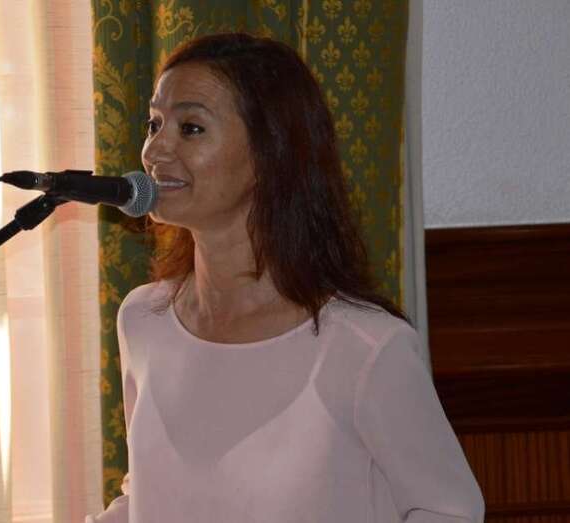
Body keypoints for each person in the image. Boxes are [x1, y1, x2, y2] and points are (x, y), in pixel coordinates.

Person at [87, 32, 485, 523]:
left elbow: (450, 511)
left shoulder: (365, 346)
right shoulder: (142, 320)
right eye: (154, 124)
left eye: (190, 128)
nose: (155, 150)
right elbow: (149, 496)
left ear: (271, 151)